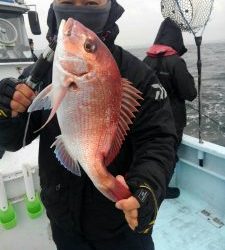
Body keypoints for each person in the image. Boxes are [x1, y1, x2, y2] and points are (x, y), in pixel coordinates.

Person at [0, 1, 177, 249]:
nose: (78, 10)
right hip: (64, 222)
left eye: (92, 2)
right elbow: (14, 140)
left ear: (109, 5)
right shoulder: (36, 75)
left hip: (122, 226)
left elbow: (158, 140)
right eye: (68, 1)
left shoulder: (140, 75)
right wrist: (6, 111)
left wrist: (148, 187)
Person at [143, 17, 197, 199]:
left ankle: (147, 187)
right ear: (176, 39)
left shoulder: (146, 60)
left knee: (152, 154)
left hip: (149, 120)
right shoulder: (175, 62)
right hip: (172, 122)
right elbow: (190, 93)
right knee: (169, 156)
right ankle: (161, 191)